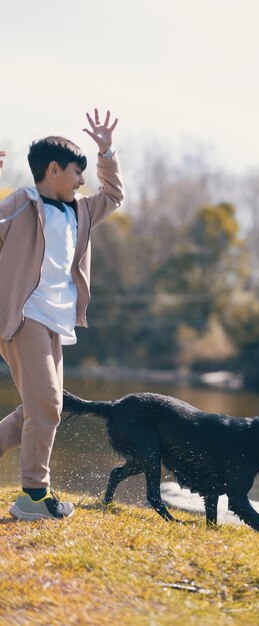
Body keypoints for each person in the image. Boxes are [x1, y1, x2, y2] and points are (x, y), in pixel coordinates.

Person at [0, 109, 124, 520]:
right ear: (53, 170)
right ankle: (33, 497)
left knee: (36, 409)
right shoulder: (21, 203)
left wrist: (105, 152)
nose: (82, 180)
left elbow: (113, 196)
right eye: (76, 171)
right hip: (23, 318)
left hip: (56, 322)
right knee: (49, 405)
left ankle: (34, 493)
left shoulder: (79, 211)